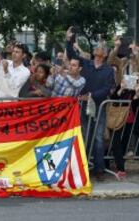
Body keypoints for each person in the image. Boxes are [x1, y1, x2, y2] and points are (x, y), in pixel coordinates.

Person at [66, 26, 115, 181]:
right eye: (97, 49)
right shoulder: (86, 64)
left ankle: (99, 169)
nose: (99, 52)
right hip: (84, 107)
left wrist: (91, 96)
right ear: (94, 52)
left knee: (99, 138)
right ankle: (84, 167)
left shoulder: (108, 70)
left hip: (99, 107)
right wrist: (69, 40)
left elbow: (107, 88)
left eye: (102, 50)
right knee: (85, 136)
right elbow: (72, 54)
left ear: (105, 54)